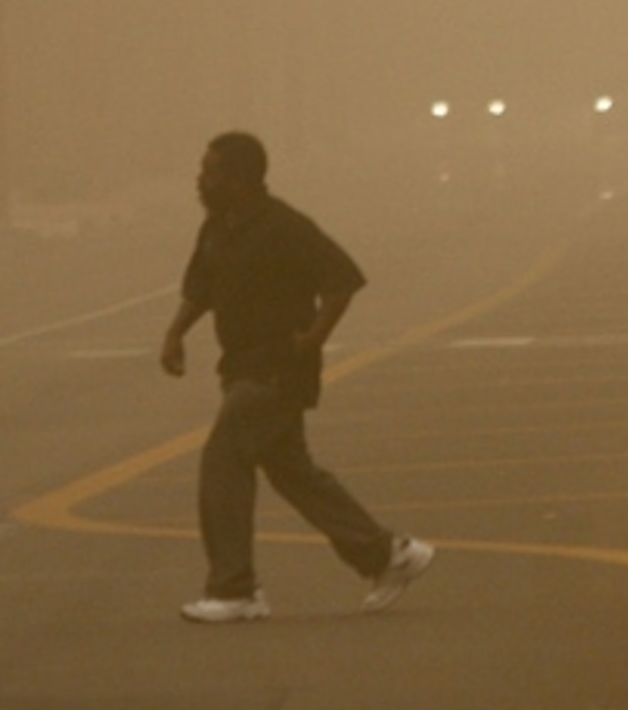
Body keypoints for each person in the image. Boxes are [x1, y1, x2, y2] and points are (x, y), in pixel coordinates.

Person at [158, 131, 433, 622]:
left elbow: (343, 280)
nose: (201, 180)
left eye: (211, 171)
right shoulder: (217, 228)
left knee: (223, 460)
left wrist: (312, 339)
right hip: (239, 366)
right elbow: (201, 288)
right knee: (291, 470)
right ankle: (385, 553)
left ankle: (234, 588)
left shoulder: (283, 226)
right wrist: (175, 334)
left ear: (240, 178)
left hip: (277, 370)